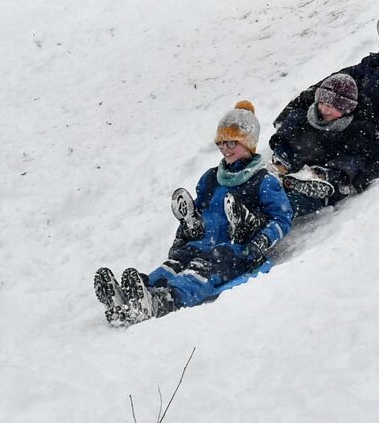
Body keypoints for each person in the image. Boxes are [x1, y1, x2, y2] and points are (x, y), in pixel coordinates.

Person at [94, 101, 294, 326]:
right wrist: (184, 235)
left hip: (235, 249)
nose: (225, 149)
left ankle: (163, 301)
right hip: (202, 242)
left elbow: (282, 218)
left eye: (231, 142)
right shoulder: (211, 178)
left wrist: (261, 241)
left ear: (248, 143)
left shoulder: (263, 180)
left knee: (199, 272)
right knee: (174, 264)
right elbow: (196, 211)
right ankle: (137, 293)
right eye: (221, 143)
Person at [268, 73, 379, 216]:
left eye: (332, 106)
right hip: (298, 159)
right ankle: (280, 165)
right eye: (322, 103)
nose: (325, 109)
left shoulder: (359, 128)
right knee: (294, 125)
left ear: (347, 108)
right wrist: (280, 143)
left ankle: (318, 179)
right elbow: (285, 133)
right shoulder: (305, 115)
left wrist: (359, 180)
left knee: (352, 161)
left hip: (329, 171)